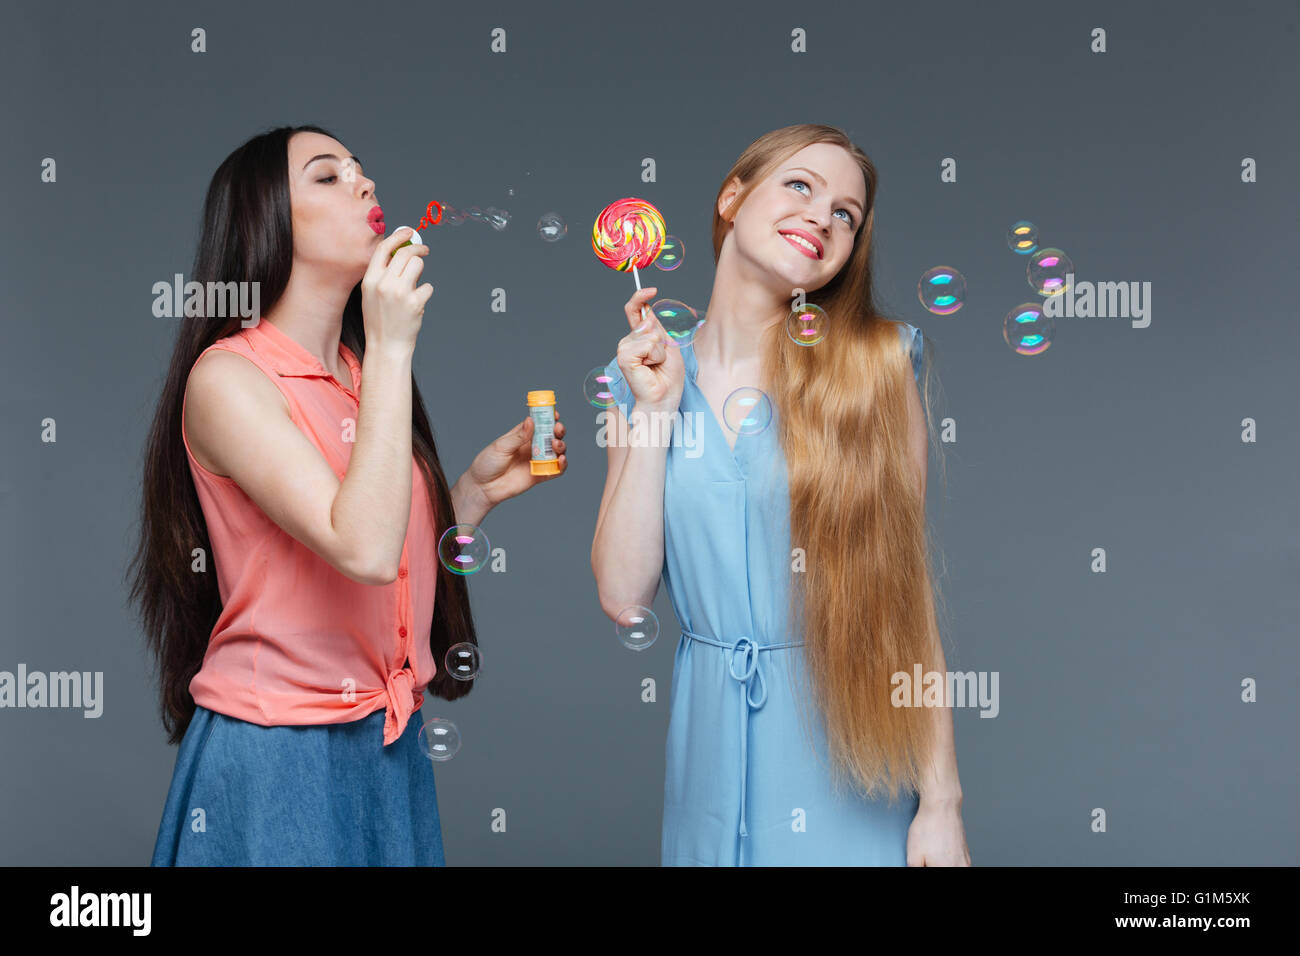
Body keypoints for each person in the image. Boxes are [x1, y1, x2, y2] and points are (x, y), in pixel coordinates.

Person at [128, 125, 566, 865]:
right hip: (281, 758)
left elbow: (379, 553)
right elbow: (360, 547)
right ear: (264, 221)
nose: (364, 185)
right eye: (327, 176)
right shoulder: (228, 380)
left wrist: (468, 497)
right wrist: (396, 345)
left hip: (388, 747)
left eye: (362, 171)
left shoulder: (362, 377)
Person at [592, 124, 971, 865]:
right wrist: (658, 409)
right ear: (733, 197)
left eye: (846, 215)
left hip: (844, 743)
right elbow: (623, 592)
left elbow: (904, 596)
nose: (823, 219)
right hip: (706, 749)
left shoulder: (876, 368)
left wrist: (942, 803)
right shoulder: (637, 378)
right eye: (801, 186)